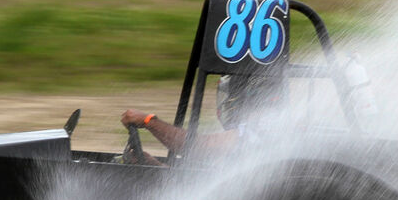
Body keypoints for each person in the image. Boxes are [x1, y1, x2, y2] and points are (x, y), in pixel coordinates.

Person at [120, 75, 287, 165]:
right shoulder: (276, 126)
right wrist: (155, 166)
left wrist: (149, 121)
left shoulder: (267, 126)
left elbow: (194, 147)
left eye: (229, 98)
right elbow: (202, 183)